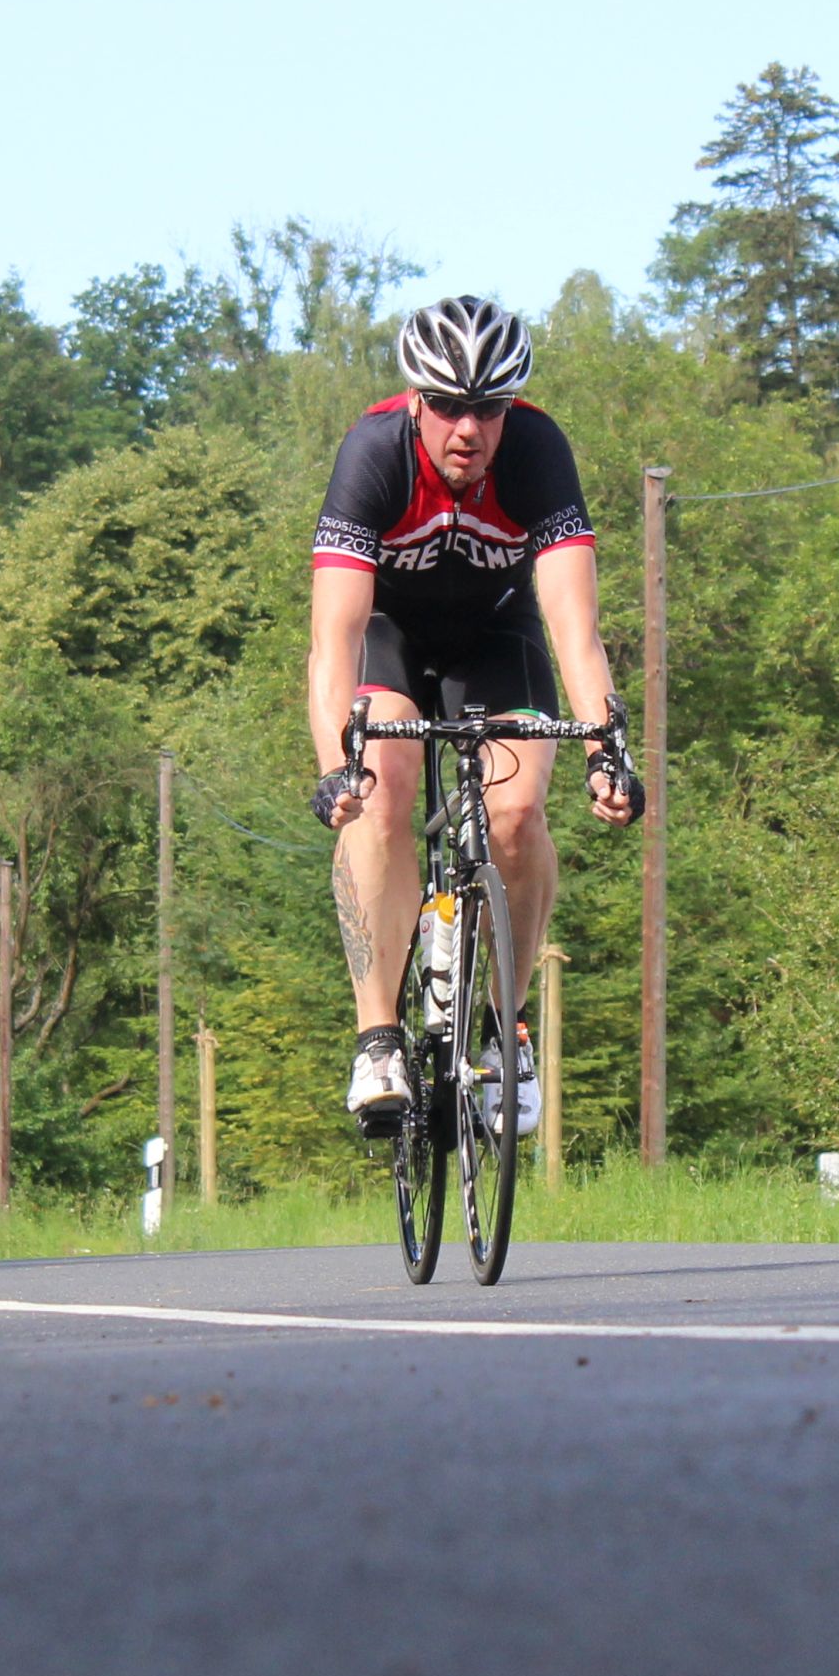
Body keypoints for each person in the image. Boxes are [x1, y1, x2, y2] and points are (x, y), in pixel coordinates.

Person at [308, 295, 642, 1128]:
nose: (469, 428)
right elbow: (333, 641)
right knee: (379, 792)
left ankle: (504, 1027)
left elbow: (574, 627)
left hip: (497, 635)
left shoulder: (536, 450)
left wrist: (607, 749)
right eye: (449, 405)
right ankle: (377, 1039)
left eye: (489, 407)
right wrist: (335, 767)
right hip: (389, 635)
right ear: (416, 400)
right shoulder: (373, 453)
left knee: (518, 814)